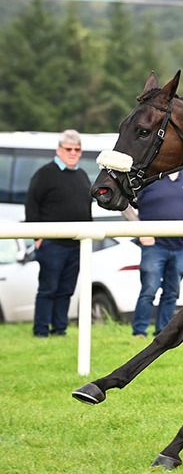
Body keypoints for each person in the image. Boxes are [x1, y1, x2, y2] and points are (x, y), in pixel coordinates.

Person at [24, 130, 93, 337]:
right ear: (59, 150)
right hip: (52, 244)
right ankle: (41, 331)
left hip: (76, 244)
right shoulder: (45, 173)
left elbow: (86, 208)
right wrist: (37, 236)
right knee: (48, 289)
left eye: (77, 149)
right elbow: (31, 205)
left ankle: (60, 329)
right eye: (69, 149)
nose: (73, 153)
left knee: (66, 290)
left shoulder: (82, 175)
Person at [124, 170, 183, 338]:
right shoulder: (148, 177)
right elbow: (124, 204)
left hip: (180, 247)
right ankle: (139, 332)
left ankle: (162, 333)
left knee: (172, 292)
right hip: (154, 246)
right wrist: (140, 230)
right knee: (149, 290)